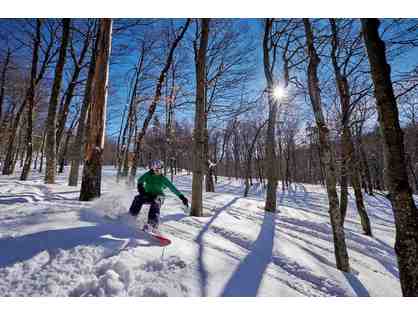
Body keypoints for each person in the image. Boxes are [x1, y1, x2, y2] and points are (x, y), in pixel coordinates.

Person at [129, 160, 188, 232]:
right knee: (138, 198)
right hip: (149, 195)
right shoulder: (148, 175)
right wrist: (141, 189)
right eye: (156, 170)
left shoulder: (163, 178)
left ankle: (152, 224)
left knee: (156, 202)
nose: (158, 172)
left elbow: (173, 188)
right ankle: (131, 215)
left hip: (159, 196)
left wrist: (182, 197)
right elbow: (140, 180)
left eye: (159, 170)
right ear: (153, 169)